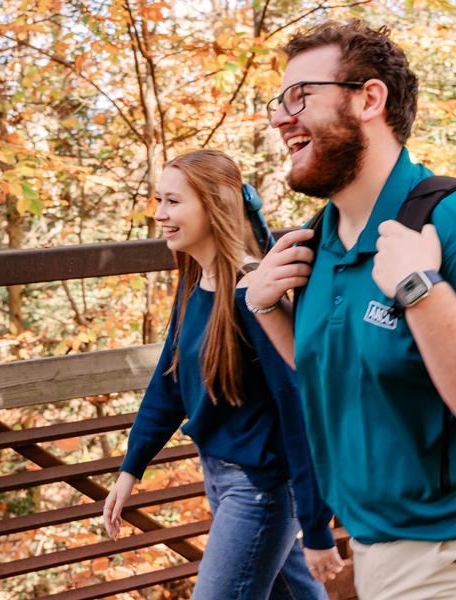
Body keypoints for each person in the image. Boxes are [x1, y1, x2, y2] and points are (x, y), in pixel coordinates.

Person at [244, 21, 456, 599]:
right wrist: (268, 308)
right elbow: (344, 367)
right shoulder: (322, 240)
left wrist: (420, 288)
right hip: (381, 546)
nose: (279, 117)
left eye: (300, 96)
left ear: (370, 99)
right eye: (279, 100)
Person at [102, 149, 344, 599]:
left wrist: (315, 524)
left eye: (173, 202)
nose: (159, 214)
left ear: (215, 204)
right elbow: (169, 382)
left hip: (262, 491)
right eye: (159, 200)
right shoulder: (196, 281)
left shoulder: (255, 294)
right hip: (222, 477)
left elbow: (300, 407)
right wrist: (130, 468)